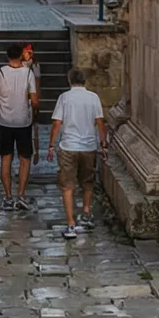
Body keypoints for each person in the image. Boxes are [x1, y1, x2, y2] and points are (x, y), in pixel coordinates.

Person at [47, 67, 107, 238]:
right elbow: (100, 123)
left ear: (69, 80)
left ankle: (71, 223)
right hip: (88, 146)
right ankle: (86, 212)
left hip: (69, 146)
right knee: (87, 181)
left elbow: (57, 123)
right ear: (85, 80)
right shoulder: (93, 98)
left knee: (67, 185)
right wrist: (103, 144)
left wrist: (51, 144)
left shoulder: (64, 98)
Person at [0, 42, 39, 210]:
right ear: (20, 56)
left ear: (8, 56)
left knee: (5, 159)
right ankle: (21, 195)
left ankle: (8, 196)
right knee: (25, 159)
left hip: (4, 121)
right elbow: (35, 99)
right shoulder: (28, 73)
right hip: (23, 121)